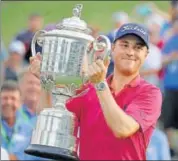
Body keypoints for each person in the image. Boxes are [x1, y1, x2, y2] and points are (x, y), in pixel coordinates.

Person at [29, 23, 162, 160]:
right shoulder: (89, 90)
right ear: (113, 49)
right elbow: (49, 116)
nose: (130, 52)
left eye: (138, 47)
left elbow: (122, 129)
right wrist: (45, 81)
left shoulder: (150, 93)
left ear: (146, 54)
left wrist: (100, 84)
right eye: (124, 45)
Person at [0, 81, 33, 160]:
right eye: (5, 98)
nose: (8, 102)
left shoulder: (30, 131)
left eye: (13, 98)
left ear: (20, 102)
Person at [161, 16, 178, 157]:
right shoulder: (170, 42)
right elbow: (161, 61)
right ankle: (171, 148)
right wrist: (171, 57)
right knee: (169, 119)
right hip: (170, 86)